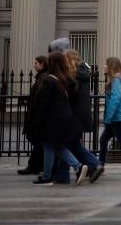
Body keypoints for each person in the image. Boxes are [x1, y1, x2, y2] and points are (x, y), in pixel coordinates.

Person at [31, 51, 90, 186]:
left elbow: (43, 104)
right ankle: (78, 167)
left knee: (49, 146)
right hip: (64, 119)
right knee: (57, 147)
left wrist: (36, 123)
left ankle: (48, 177)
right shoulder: (63, 79)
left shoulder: (49, 80)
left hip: (51, 120)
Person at [62, 48, 103, 183]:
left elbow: (72, 94)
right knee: (72, 144)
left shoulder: (73, 75)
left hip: (73, 115)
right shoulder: (82, 73)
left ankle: (93, 164)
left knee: (69, 145)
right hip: (80, 115)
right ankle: (89, 167)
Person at [18, 56, 48, 175]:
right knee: (38, 141)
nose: (34, 65)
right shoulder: (41, 77)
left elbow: (38, 98)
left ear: (42, 64)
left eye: (36, 63)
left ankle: (34, 165)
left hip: (36, 115)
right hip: (35, 114)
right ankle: (36, 165)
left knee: (36, 140)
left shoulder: (42, 77)